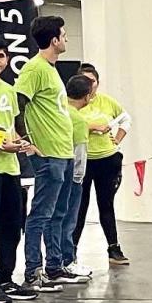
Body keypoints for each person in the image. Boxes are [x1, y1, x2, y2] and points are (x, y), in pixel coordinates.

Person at [14, 15, 77, 291]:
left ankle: (54, 266)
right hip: (47, 153)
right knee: (41, 213)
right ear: (54, 40)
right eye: (63, 35)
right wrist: (26, 140)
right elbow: (18, 104)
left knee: (58, 212)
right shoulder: (35, 69)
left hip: (63, 151)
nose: (66, 39)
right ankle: (32, 270)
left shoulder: (51, 70)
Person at [0, 36, 39, 303]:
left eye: (1, 55)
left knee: (12, 225)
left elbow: (12, 125)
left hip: (11, 168)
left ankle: (6, 278)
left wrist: (22, 142)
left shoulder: (9, 91)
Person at [71, 64, 131, 267]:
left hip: (107, 159)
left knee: (106, 205)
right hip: (83, 160)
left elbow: (126, 119)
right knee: (79, 206)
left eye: (93, 82)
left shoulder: (107, 101)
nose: (90, 87)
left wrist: (117, 139)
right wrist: (91, 126)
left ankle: (113, 248)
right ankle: (71, 251)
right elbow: (66, 124)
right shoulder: (70, 104)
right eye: (85, 82)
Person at [58, 74, 93, 280]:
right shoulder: (78, 119)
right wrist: (78, 179)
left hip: (56, 172)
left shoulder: (60, 111)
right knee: (69, 220)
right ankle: (67, 261)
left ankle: (57, 260)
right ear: (87, 96)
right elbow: (79, 153)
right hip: (72, 176)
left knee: (56, 219)